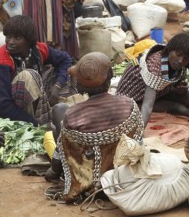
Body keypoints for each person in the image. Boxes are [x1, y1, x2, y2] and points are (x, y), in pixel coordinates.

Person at [47, 52, 144, 202]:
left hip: (90, 183)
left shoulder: (72, 115)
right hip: (123, 179)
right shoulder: (129, 104)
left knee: (59, 111)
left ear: (79, 85)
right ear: (110, 77)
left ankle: (62, 171)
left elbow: (65, 146)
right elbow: (138, 144)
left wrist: (53, 171)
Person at [0, 15, 73, 125]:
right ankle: (44, 121)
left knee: (70, 73)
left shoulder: (38, 50)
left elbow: (65, 60)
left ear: (29, 40)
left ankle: (62, 111)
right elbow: (2, 105)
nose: (10, 42)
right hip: (11, 107)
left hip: (37, 96)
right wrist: (33, 123)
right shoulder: (1, 60)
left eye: (17, 38)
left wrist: (57, 86)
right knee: (28, 75)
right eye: (8, 37)